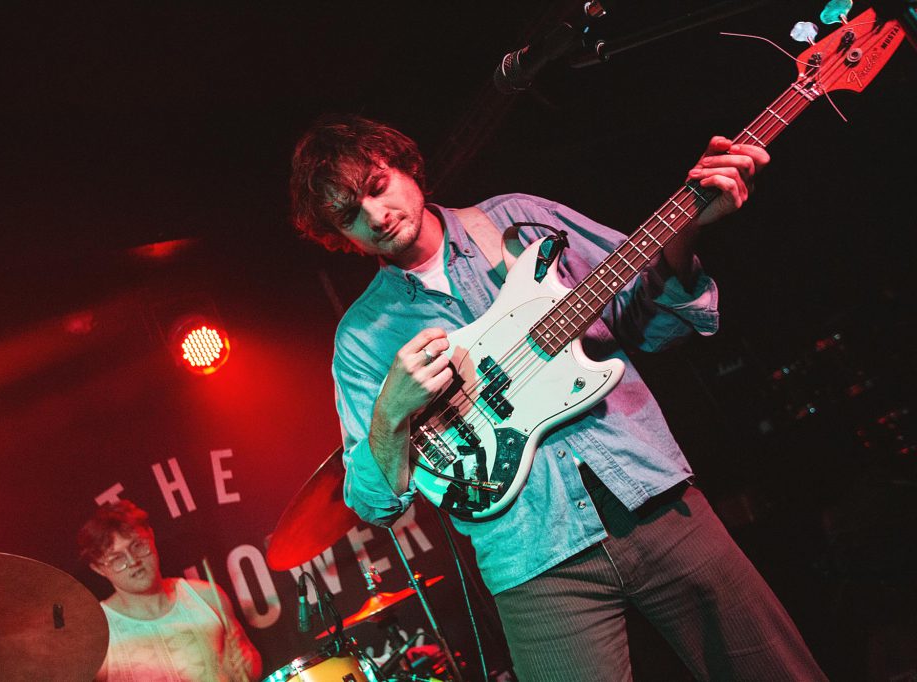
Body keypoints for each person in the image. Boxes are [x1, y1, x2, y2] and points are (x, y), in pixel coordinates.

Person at [288, 114, 828, 681]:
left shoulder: (518, 222)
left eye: (377, 187)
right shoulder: (362, 338)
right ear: (339, 237)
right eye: (349, 215)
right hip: (533, 562)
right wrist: (391, 411)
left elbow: (650, 322)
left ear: (405, 166)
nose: (376, 215)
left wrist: (689, 229)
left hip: (649, 494)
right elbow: (373, 502)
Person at [77, 500, 263, 682]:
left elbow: (250, 661)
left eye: (138, 546)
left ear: (151, 535)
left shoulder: (205, 596)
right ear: (98, 568)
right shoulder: (98, 636)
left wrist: (240, 669)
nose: (133, 561)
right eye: (117, 558)